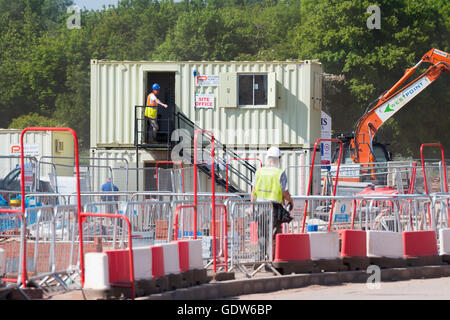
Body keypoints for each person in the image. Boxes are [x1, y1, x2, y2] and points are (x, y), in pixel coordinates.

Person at [251, 146, 294, 259]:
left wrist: (253, 207)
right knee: (274, 234)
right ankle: (273, 259)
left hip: (260, 207)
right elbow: (285, 192)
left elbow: (253, 192)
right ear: (278, 159)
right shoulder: (280, 173)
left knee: (262, 233)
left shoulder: (259, 171)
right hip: (273, 208)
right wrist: (290, 201)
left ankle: (260, 258)